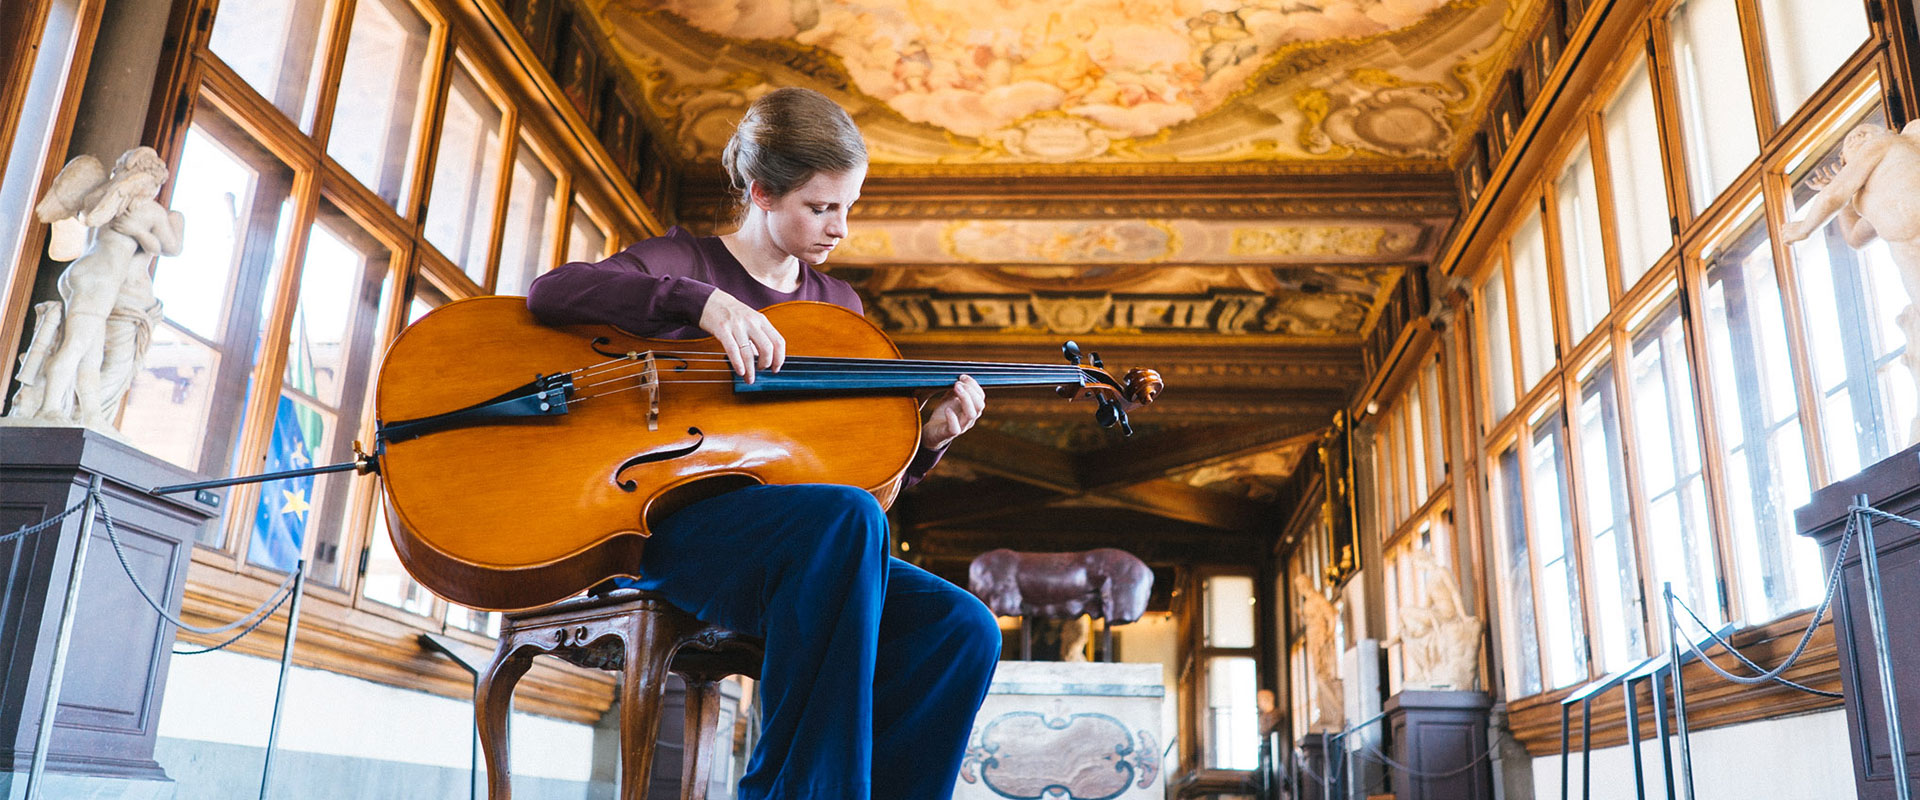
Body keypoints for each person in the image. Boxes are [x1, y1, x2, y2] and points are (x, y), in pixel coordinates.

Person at [526, 87, 1002, 800]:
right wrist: (699, 301)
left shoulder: (840, 308)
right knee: (844, 522)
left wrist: (925, 441)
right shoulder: (684, 261)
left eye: (848, 206)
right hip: (681, 535)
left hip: (809, 546)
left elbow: (858, 479)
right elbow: (551, 293)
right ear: (761, 193)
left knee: (962, 624)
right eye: (821, 207)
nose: (840, 228)